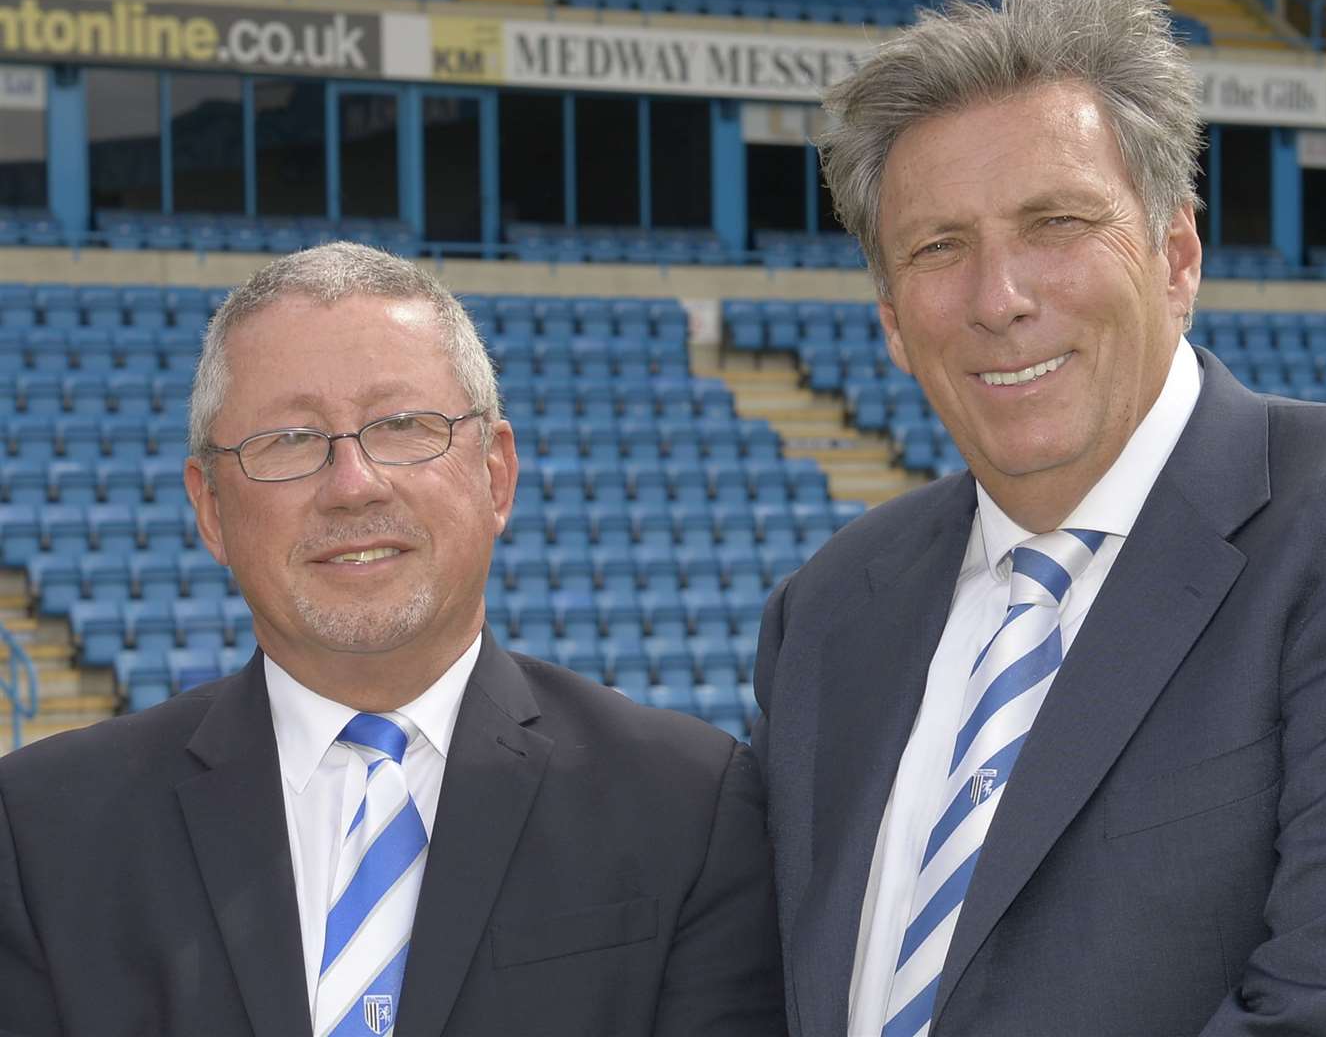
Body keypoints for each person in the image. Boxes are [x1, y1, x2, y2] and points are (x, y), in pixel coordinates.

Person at [752, 0, 1326, 1036]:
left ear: (1175, 256)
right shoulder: (825, 613)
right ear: (888, 320)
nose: (1000, 299)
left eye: (1056, 223)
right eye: (938, 247)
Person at [0, 242, 784, 1037]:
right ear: (209, 510)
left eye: (404, 426)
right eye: (289, 441)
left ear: (495, 474)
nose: (352, 484)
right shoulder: (41, 831)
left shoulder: (687, 803)